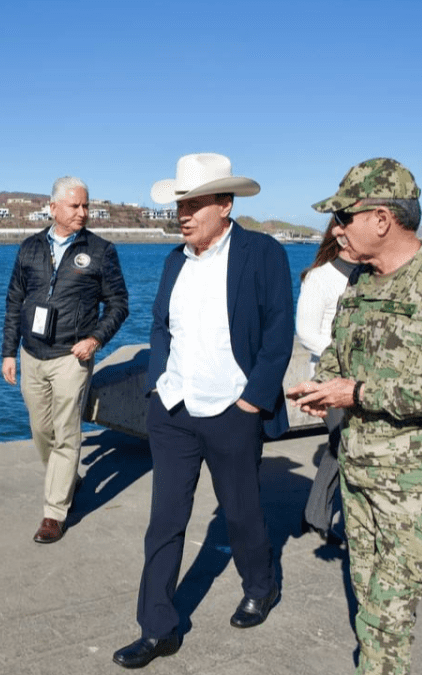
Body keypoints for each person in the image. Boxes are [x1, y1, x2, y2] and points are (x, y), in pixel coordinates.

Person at [287, 158, 422, 675]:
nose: (336, 229)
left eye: (343, 216)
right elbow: (339, 351)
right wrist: (323, 385)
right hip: (359, 473)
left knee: (386, 617)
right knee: (367, 600)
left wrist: (355, 391)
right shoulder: (360, 283)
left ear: (381, 218)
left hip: (412, 485)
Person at [113, 153, 294, 669]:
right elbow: (160, 326)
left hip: (232, 410)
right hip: (172, 410)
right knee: (164, 522)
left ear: (225, 204)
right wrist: (158, 385)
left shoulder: (263, 254)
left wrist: (252, 400)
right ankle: (157, 630)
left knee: (241, 512)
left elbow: (279, 334)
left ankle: (260, 585)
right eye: (180, 204)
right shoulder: (176, 260)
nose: (183, 214)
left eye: (194, 204)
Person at [1, 176, 129, 545]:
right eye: (75, 206)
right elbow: (13, 303)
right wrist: (9, 352)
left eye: (86, 206)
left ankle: (54, 512)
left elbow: (119, 304)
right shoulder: (29, 249)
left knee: (67, 432)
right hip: (32, 354)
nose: (83, 213)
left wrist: (95, 339)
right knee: (42, 429)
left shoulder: (101, 251)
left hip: (72, 357)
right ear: (53, 207)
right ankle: (68, 477)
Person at [296, 218, 359, 542]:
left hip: (362, 383)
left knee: (344, 449)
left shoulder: (371, 275)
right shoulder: (319, 278)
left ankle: (315, 516)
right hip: (328, 377)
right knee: (342, 447)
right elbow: (306, 332)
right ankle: (320, 518)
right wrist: (351, 357)